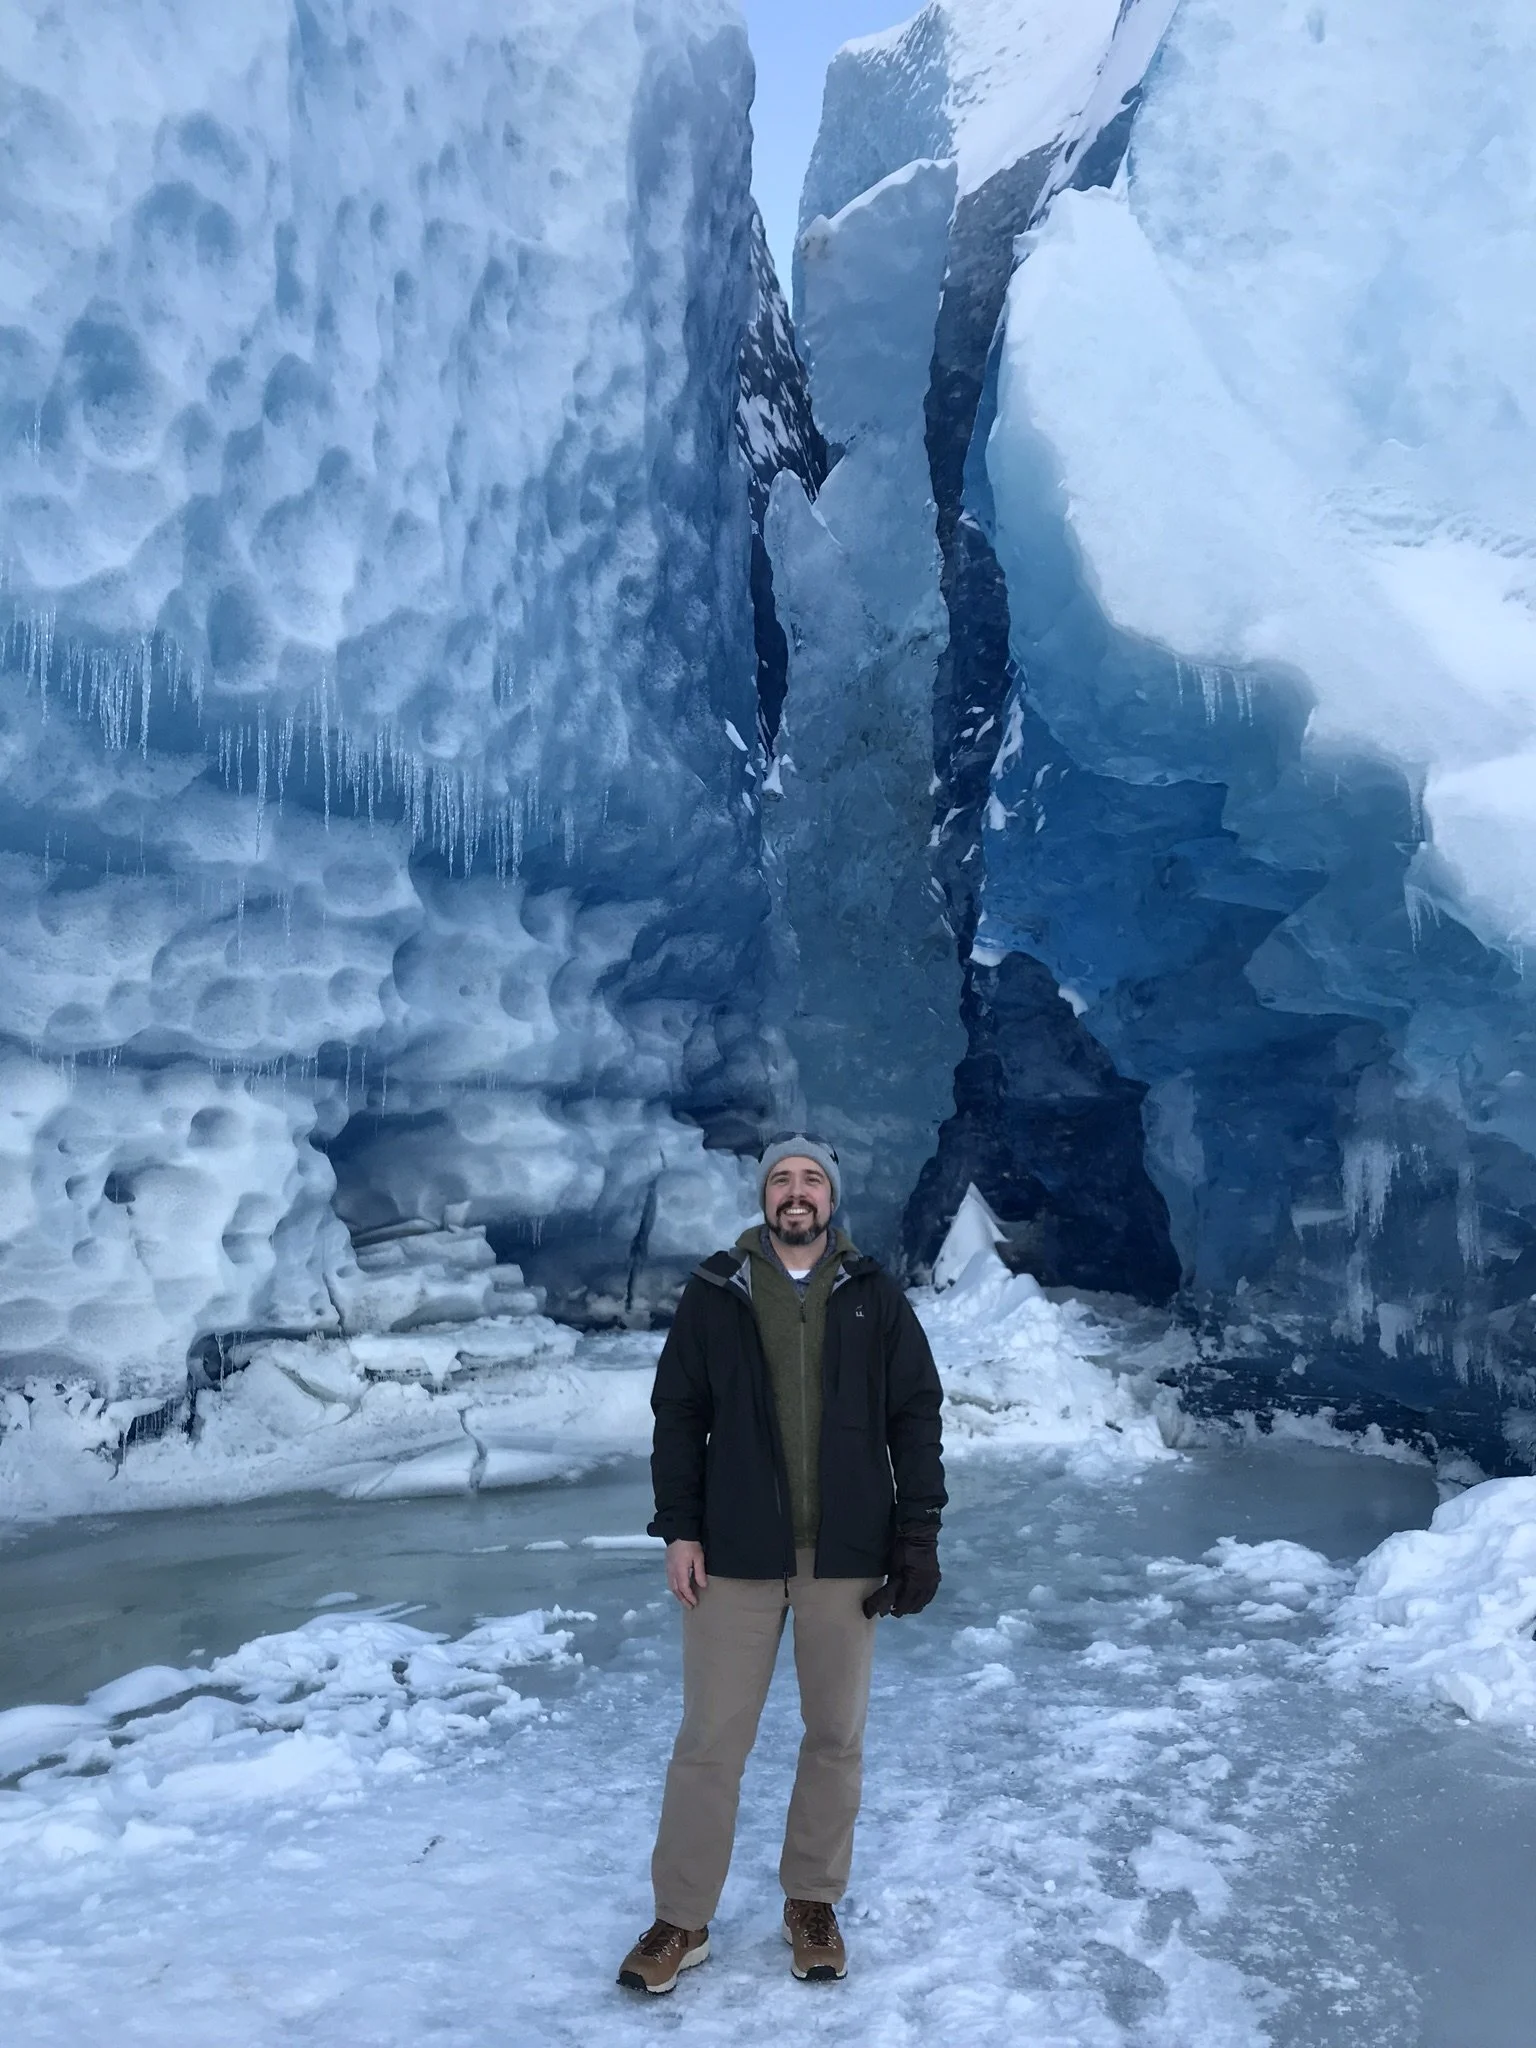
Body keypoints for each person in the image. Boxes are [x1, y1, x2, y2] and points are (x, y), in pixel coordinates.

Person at [616, 1133, 946, 1995]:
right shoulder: (716, 1291)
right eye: (781, 1181)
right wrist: (679, 1531)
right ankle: (681, 1919)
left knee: (835, 1738)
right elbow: (678, 1415)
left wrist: (919, 1533)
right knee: (710, 1741)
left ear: (831, 1201)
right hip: (735, 1551)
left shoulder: (875, 1295)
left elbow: (914, 1416)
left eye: (811, 1181)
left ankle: (812, 1904)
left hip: (845, 1554)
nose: (795, 1193)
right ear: (764, 1199)